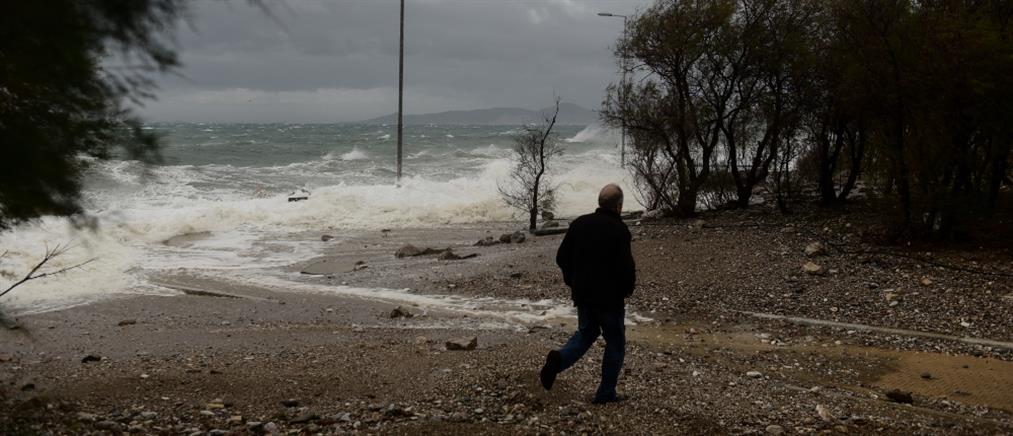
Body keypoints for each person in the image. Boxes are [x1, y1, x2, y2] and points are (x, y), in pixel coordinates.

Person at [540, 183, 636, 404]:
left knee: (587, 332)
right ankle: (605, 394)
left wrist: (572, 281)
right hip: (609, 298)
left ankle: (559, 360)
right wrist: (627, 289)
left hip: (583, 294)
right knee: (615, 342)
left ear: (600, 203)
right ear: (618, 206)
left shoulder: (579, 223)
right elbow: (626, 267)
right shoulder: (619, 229)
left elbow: (561, 258)